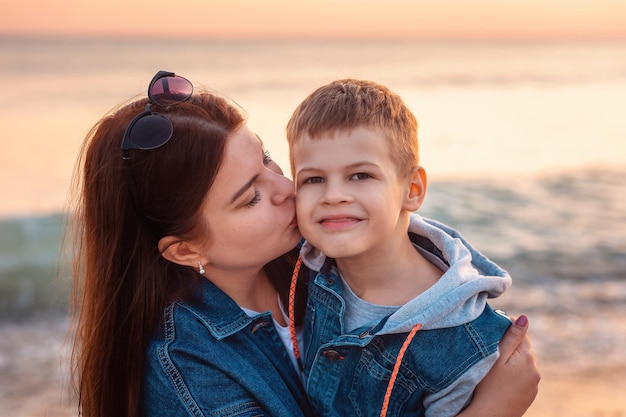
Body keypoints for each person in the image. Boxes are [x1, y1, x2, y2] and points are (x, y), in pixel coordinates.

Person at [68, 71, 539, 417]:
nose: (287, 189)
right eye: (251, 197)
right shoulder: (185, 370)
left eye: (269, 162)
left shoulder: (323, 262)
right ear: (186, 251)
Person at [286, 78, 533, 417]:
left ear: (412, 190)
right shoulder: (301, 266)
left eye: (360, 176)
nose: (333, 196)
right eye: (313, 179)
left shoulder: (461, 345)